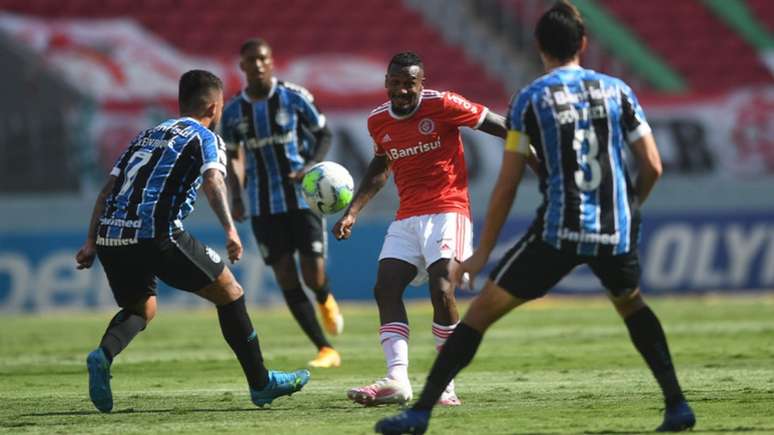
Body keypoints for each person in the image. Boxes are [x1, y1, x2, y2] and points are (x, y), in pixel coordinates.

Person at [374, 2, 696, 434]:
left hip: (559, 228)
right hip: (613, 226)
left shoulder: (532, 97)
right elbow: (652, 165)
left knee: (480, 313)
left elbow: (507, 183)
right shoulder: (617, 89)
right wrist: (630, 209)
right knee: (631, 304)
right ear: (583, 43)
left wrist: (481, 252)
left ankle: (420, 414)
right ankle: (677, 405)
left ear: (539, 46)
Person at [75, 69, 309, 413]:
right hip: (156, 233)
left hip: (111, 235)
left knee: (142, 308)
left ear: (180, 101)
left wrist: (91, 242)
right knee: (231, 294)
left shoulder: (146, 134)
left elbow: (108, 189)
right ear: (214, 107)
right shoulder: (205, 137)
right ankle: (261, 383)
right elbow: (214, 181)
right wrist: (230, 229)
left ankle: (103, 354)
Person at [333, 51, 508, 407]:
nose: (401, 91)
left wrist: (532, 143)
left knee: (442, 290)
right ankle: (397, 380)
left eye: (409, 85)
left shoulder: (443, 104)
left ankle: (445, 384)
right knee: (385, 287)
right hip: (407, 216)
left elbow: (496, 123)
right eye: (395, 84)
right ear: (386, 83)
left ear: (421, 83)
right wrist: (352, 212)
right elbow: (381, 167)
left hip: (449, 210)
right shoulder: (378, 120)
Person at [220, 38, 343, 369]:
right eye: (251, 60)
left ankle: (324, 297)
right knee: (286, 275)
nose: (257, 64)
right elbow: (233, 156)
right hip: (263, 206)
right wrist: (236, 195)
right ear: (242, 66)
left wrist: (310, 168)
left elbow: (325, 134)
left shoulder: (294, 97)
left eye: (262, 58)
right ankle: (325, 348)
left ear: (271, 61)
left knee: (313, 273)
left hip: (303, 200)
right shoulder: (233, 112)